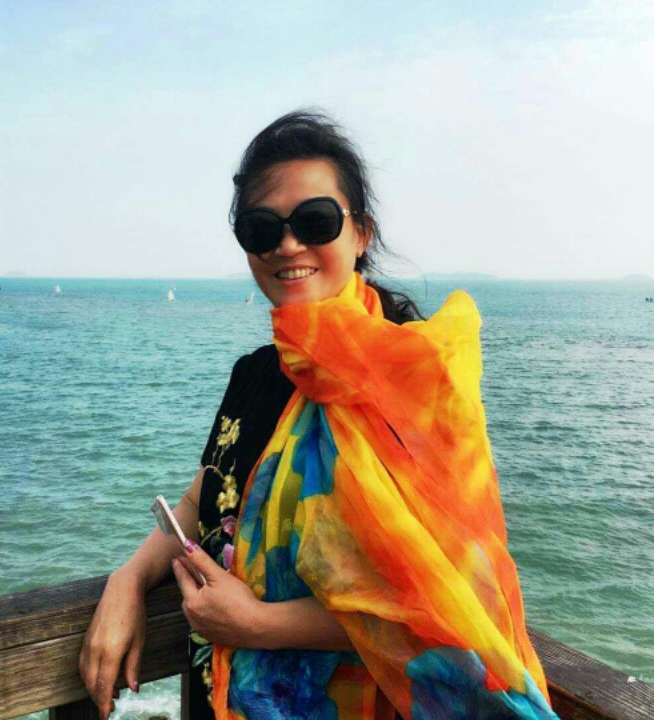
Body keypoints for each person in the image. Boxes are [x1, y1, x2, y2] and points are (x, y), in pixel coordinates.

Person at [79, 111, 558, 720]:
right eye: (261, 228)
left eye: (315, 221)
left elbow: (453, 603)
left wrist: (259, 623)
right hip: (223, 696)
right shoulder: (257, 371)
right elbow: (209, 493)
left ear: (361, 234)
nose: (287, 245)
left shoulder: (415, 380)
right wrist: (127, 579)